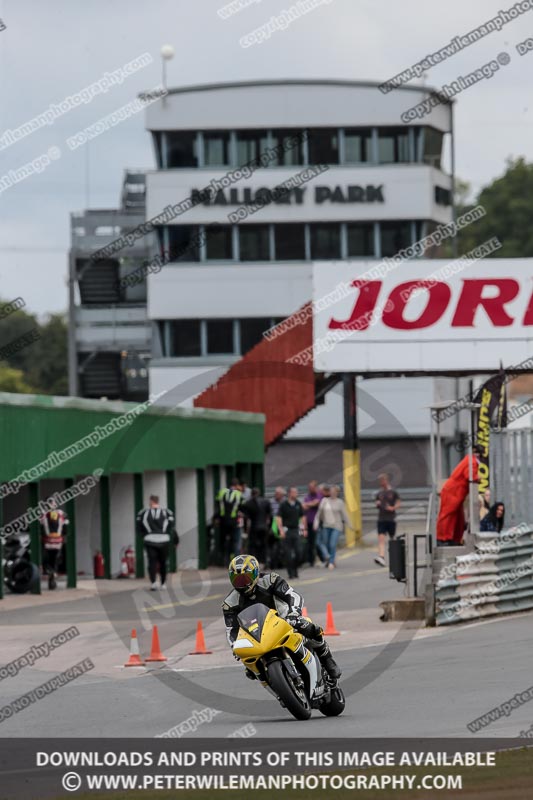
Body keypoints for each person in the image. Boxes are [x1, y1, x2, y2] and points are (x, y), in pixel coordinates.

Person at [222, 554, 341, 680]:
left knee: (309, 627)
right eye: (237, 580)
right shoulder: (230, 603)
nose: (242, 584)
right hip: (258, 634)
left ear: (256, 573)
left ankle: (327, 659)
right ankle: (276, 687)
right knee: (250, 669)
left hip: (285, 620)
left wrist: (294, 613)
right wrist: (235, 646)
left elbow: (293, 595)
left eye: (245, 579)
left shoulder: (270, 580)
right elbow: (231, 629)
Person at [436, 446, 482, 546]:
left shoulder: (469, 459)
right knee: (447, 515)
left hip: (455, 492)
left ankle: (453, 538)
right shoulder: (472, 462)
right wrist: (478, 478)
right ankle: (442, 538)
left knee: (457, 517)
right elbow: (470, 476)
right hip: (454, 492)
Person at [137, 495, 178, 590]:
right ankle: (163, 583)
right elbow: (171, 526)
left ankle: (153, 583)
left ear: (151, 501)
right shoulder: (167, 512)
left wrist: (144, 536)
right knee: (163, 562)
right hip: (164, 541)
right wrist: (171, 538)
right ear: (157, 501)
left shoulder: (143, 513)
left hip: (150, 540)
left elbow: (139, 526)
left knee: (152, 562)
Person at [315, 485, 350, 569]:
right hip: (326, 525)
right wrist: (316, 523)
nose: (332, 493)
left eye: (334, 491)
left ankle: (331, 562)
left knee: (332, 544)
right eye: (331, 491)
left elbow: (345, 515)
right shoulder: (324, 501)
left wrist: (350, 525)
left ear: (337, 492)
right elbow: (319, 513)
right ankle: (330, 559)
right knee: (325, 544)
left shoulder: (340, 502)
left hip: (337, 526)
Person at [276, 487, 307, 579]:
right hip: (287, 530)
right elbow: (278, 518)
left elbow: (302, 517)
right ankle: (291, 573)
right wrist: (281, 530)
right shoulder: (283, 505)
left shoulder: (298, 504)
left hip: (295, 530)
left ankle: (295, 569)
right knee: (288, 553)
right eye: (294, 492)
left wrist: (304, 529)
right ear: (289, 493)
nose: (296, 494)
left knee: (299, 552)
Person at [374, 473, 401, 567]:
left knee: (392, 539)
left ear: (386, 480)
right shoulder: (379, 493)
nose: (381, 483)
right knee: (381, 538)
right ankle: (381, 557)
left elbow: (398, 503)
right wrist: (377, 504)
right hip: (381, 519)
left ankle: (395, 558)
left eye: (383, 480)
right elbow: (377, 504)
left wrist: (393, 508)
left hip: (391, 519)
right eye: (380, 481)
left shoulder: (393, 492)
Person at [40, 500, 68, 591]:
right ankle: (53, 573)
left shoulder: (43, 514)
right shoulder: (61, 514)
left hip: (47, 542)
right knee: (56, 560)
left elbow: (39, 526)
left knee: (48, 560)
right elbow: (66, 526)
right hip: (58, 542)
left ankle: (50, 572)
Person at [215, 478, 244, 561]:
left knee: (222, 540)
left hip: (223, 520)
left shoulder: (222, 491)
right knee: (234, 540)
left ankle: (222, 557)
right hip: (233, 521)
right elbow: (242, 506)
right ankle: (233, 558)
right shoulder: (238, 494)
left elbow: (217, 503)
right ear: (237, 485)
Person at [242, 488, 272, 565]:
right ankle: (264, 560)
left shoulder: (248, 503)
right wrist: (269, 526)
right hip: (264, 527)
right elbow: (270, 516)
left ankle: (253, 561)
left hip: (254, 526)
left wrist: (245, 530)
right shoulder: (266, 502)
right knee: (264, 544)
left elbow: (246, 518)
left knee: (252, 545)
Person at [302, 480, 323, 567]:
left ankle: (323, 558)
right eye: (309, 488)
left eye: (312, 487)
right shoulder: (308, 496)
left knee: (317, 542)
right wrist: (310, 504)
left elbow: (317, 502)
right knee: (310, 543)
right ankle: (311, 561)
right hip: (309, 523)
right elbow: (303, 506)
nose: (310, 489)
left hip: (317, 523)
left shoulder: (319, 494)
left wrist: (308, 504)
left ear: (315, 487)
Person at [267, 486, 285, 569]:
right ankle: (273, 564)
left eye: (279, 494)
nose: (277, 495)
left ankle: (281, 563)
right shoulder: (271, 502)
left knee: (281, 546)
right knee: (273, 547)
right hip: (272, 527)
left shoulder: (284, 503)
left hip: (282, 526)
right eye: (276, 493)